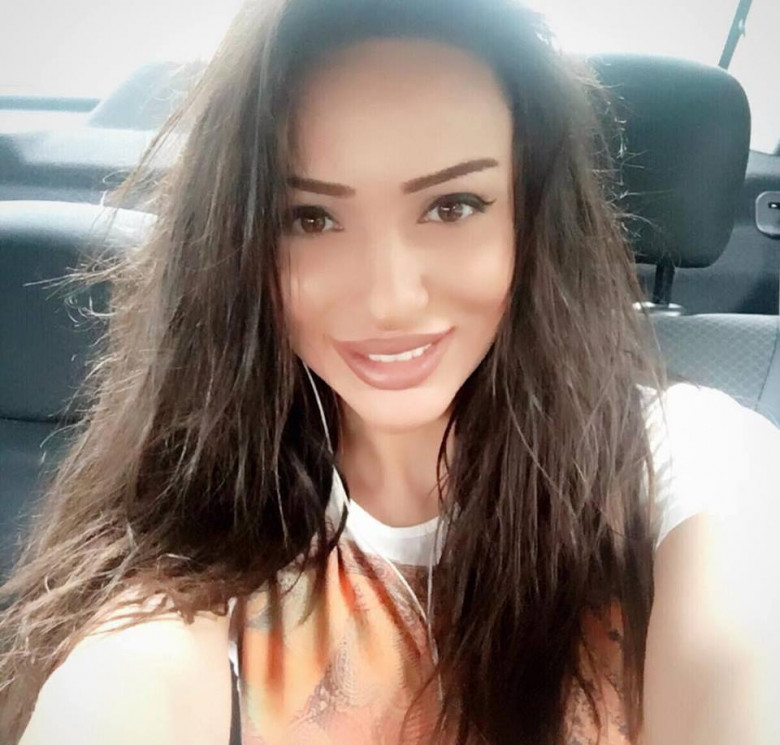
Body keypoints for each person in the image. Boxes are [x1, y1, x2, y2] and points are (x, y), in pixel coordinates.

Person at [2, 1, 779, 743]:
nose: (388, 299)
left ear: (530, 214)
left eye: (452, 206)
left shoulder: (693, 458)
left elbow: (738, 657)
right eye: (310, 218)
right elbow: (127, 679)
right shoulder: (201, 510)